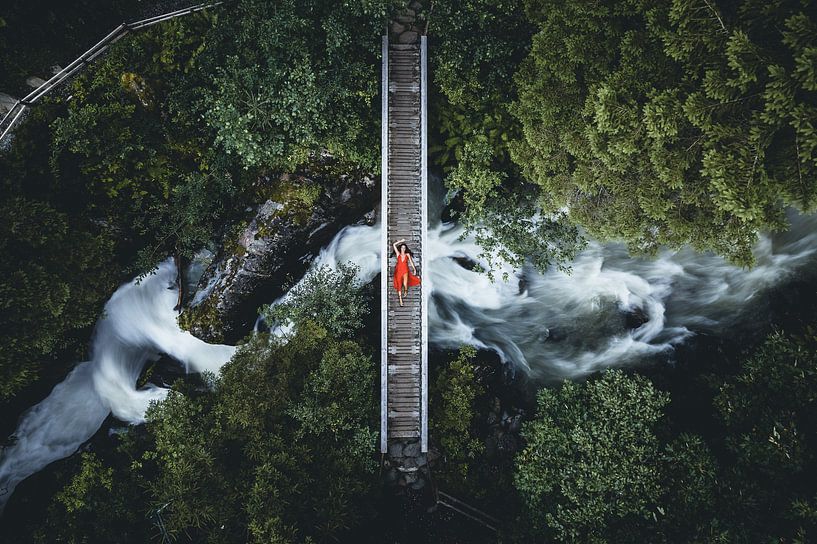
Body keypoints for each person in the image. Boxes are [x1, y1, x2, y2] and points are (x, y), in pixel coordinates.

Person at [392, 238, 421, 306]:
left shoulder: (407, 254)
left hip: (405, 271)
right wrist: (400, 241)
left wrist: (414, 269)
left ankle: (405, 290)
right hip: (398, 271)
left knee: (405, 284)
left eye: (404, 248)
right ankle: (400, 300)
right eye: (402, 247)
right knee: (399, 285)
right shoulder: (398, 254)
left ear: (405, 249)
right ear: (400, 248)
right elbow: (394, 245)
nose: (403, 249)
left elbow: (411, 262)